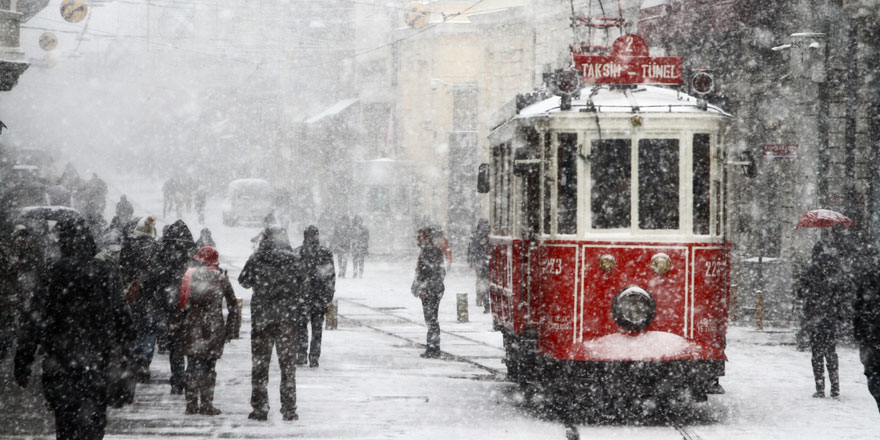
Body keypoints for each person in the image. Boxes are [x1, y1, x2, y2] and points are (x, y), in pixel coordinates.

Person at [14, 217, 136, 440]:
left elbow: (34, 320)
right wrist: (128, 352)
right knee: (95, 419)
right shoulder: (107, 272)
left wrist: (23, 358)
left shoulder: (52, 273)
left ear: (64, 244)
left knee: (65, 420)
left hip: (61, 360)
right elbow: (122, 316)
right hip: (99, 358)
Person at [238, 226, 302, 421]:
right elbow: (303, 283)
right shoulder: (293, 260)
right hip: (287, 318)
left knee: (260, 364)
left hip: (262, 318)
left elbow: (244, 281)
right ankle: (289, 408)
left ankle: (260, 407)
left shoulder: (257, 258)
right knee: (287, 366)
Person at [178, 246, 238, 415]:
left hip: (192, 325)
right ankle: (206, 404)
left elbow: (180, 302)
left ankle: (191, 404)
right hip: (214, 326)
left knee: (192, 365)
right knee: (209, 366)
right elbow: (233, 305)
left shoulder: (189, 276)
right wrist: (231, 330)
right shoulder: (221, 278)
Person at [144, 219, 197, 394]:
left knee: (183, 345)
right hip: (174, 307)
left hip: (181, 306)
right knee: (178, 345)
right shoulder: (169, 255)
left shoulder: (168, 254)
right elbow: (151, 278)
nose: (180, 245)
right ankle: (180, 379)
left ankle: (183, 378)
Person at [796, 240, 845, 398]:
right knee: (831, 352)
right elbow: (841, 294)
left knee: (817, 354)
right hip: (829, 318)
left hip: (814, 317)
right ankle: (835, 387)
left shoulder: (810, 271)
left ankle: (820, 387)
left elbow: (800, 292)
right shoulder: (833, 271)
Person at [120, 216, 159, 382]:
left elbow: (122, 268)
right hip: (150, 295)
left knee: (134, 327)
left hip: (132, 294)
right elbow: (160, 272)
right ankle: (145, 356)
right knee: (149, 329)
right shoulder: (156, 247)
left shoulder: (128, 245)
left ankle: (135, 357)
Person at [294, 226, 336, 367]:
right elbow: (330, 276)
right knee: (317, 329)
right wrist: (328, 296)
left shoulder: (298, 252)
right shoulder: (325, 253)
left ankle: (301, 354)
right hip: (319, 296)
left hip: (302, 296)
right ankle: (314, 356)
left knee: (301, 327)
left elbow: (293, 277)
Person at [853, 244, 880, 413]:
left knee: (874, 377)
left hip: (872, 337)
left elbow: (858, 308)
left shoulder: (869, 277)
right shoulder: (869, 278)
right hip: (872, 336)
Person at [412, 226, 446, 358]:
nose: (418, 240)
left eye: (420, 237)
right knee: (431, 319)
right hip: (434, 289)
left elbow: (426, 272)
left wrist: (424, 288)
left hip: (431, 290)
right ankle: (432, 346)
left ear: (427, 238)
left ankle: (433, 347)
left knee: (431, 319)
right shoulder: (432, 251)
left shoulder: (428, 252)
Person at [467, 218, 490, 313]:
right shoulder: (486, 234)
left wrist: (471, 259)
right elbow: (472, 248)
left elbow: (471, 248)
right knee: (482, 279)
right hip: (483, 260)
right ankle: (482, 297)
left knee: (480, 279)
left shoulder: (476, 235)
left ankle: (480, 297)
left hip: (480, 260)